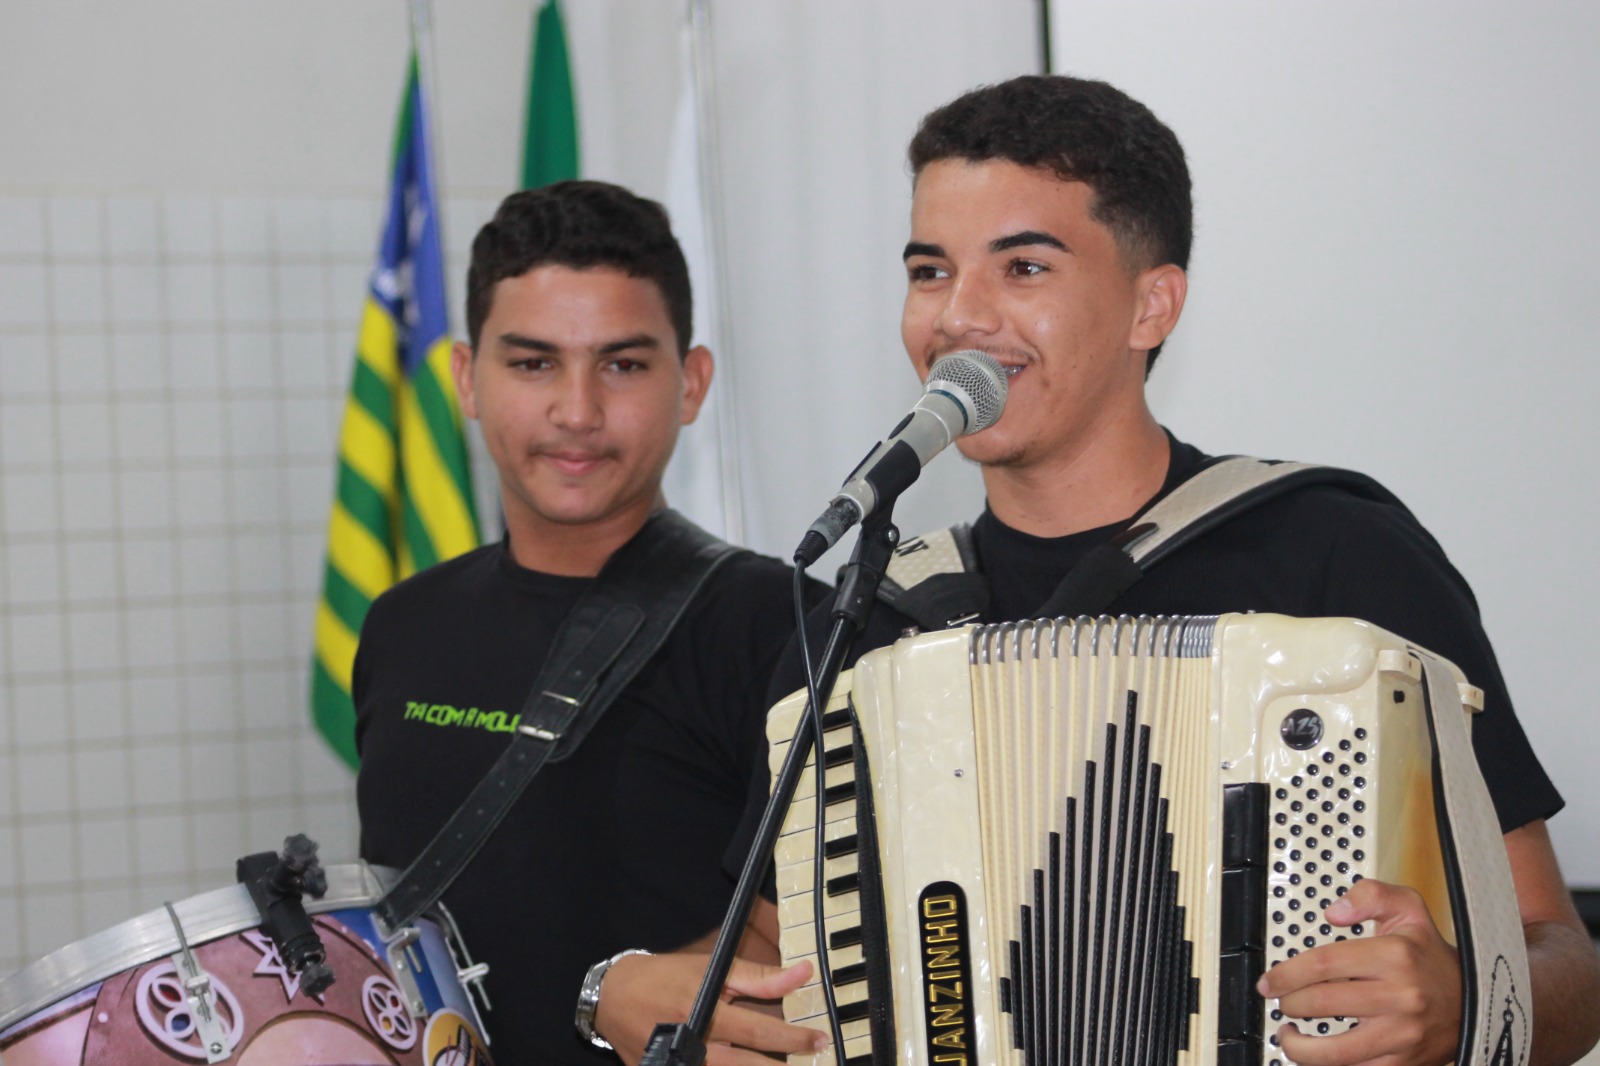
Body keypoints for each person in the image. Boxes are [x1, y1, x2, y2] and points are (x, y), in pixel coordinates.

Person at [594, 76, 1600, 1066]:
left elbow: (1559, 954)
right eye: (929, 270)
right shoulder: (874, 617)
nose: (958, 317)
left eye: (1022, 268)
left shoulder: (1335, 556)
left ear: (1150, 306)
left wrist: (1464, 1007)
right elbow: (768, 960)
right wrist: (629, 988)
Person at [354, 180, 822, 1065]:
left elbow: (808, 950)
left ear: (691, 383)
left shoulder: (782, 624)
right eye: (533, 364)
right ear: (466, 379)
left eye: (624, 364)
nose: (577, 411)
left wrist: (607, 996)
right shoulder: (400, 626)